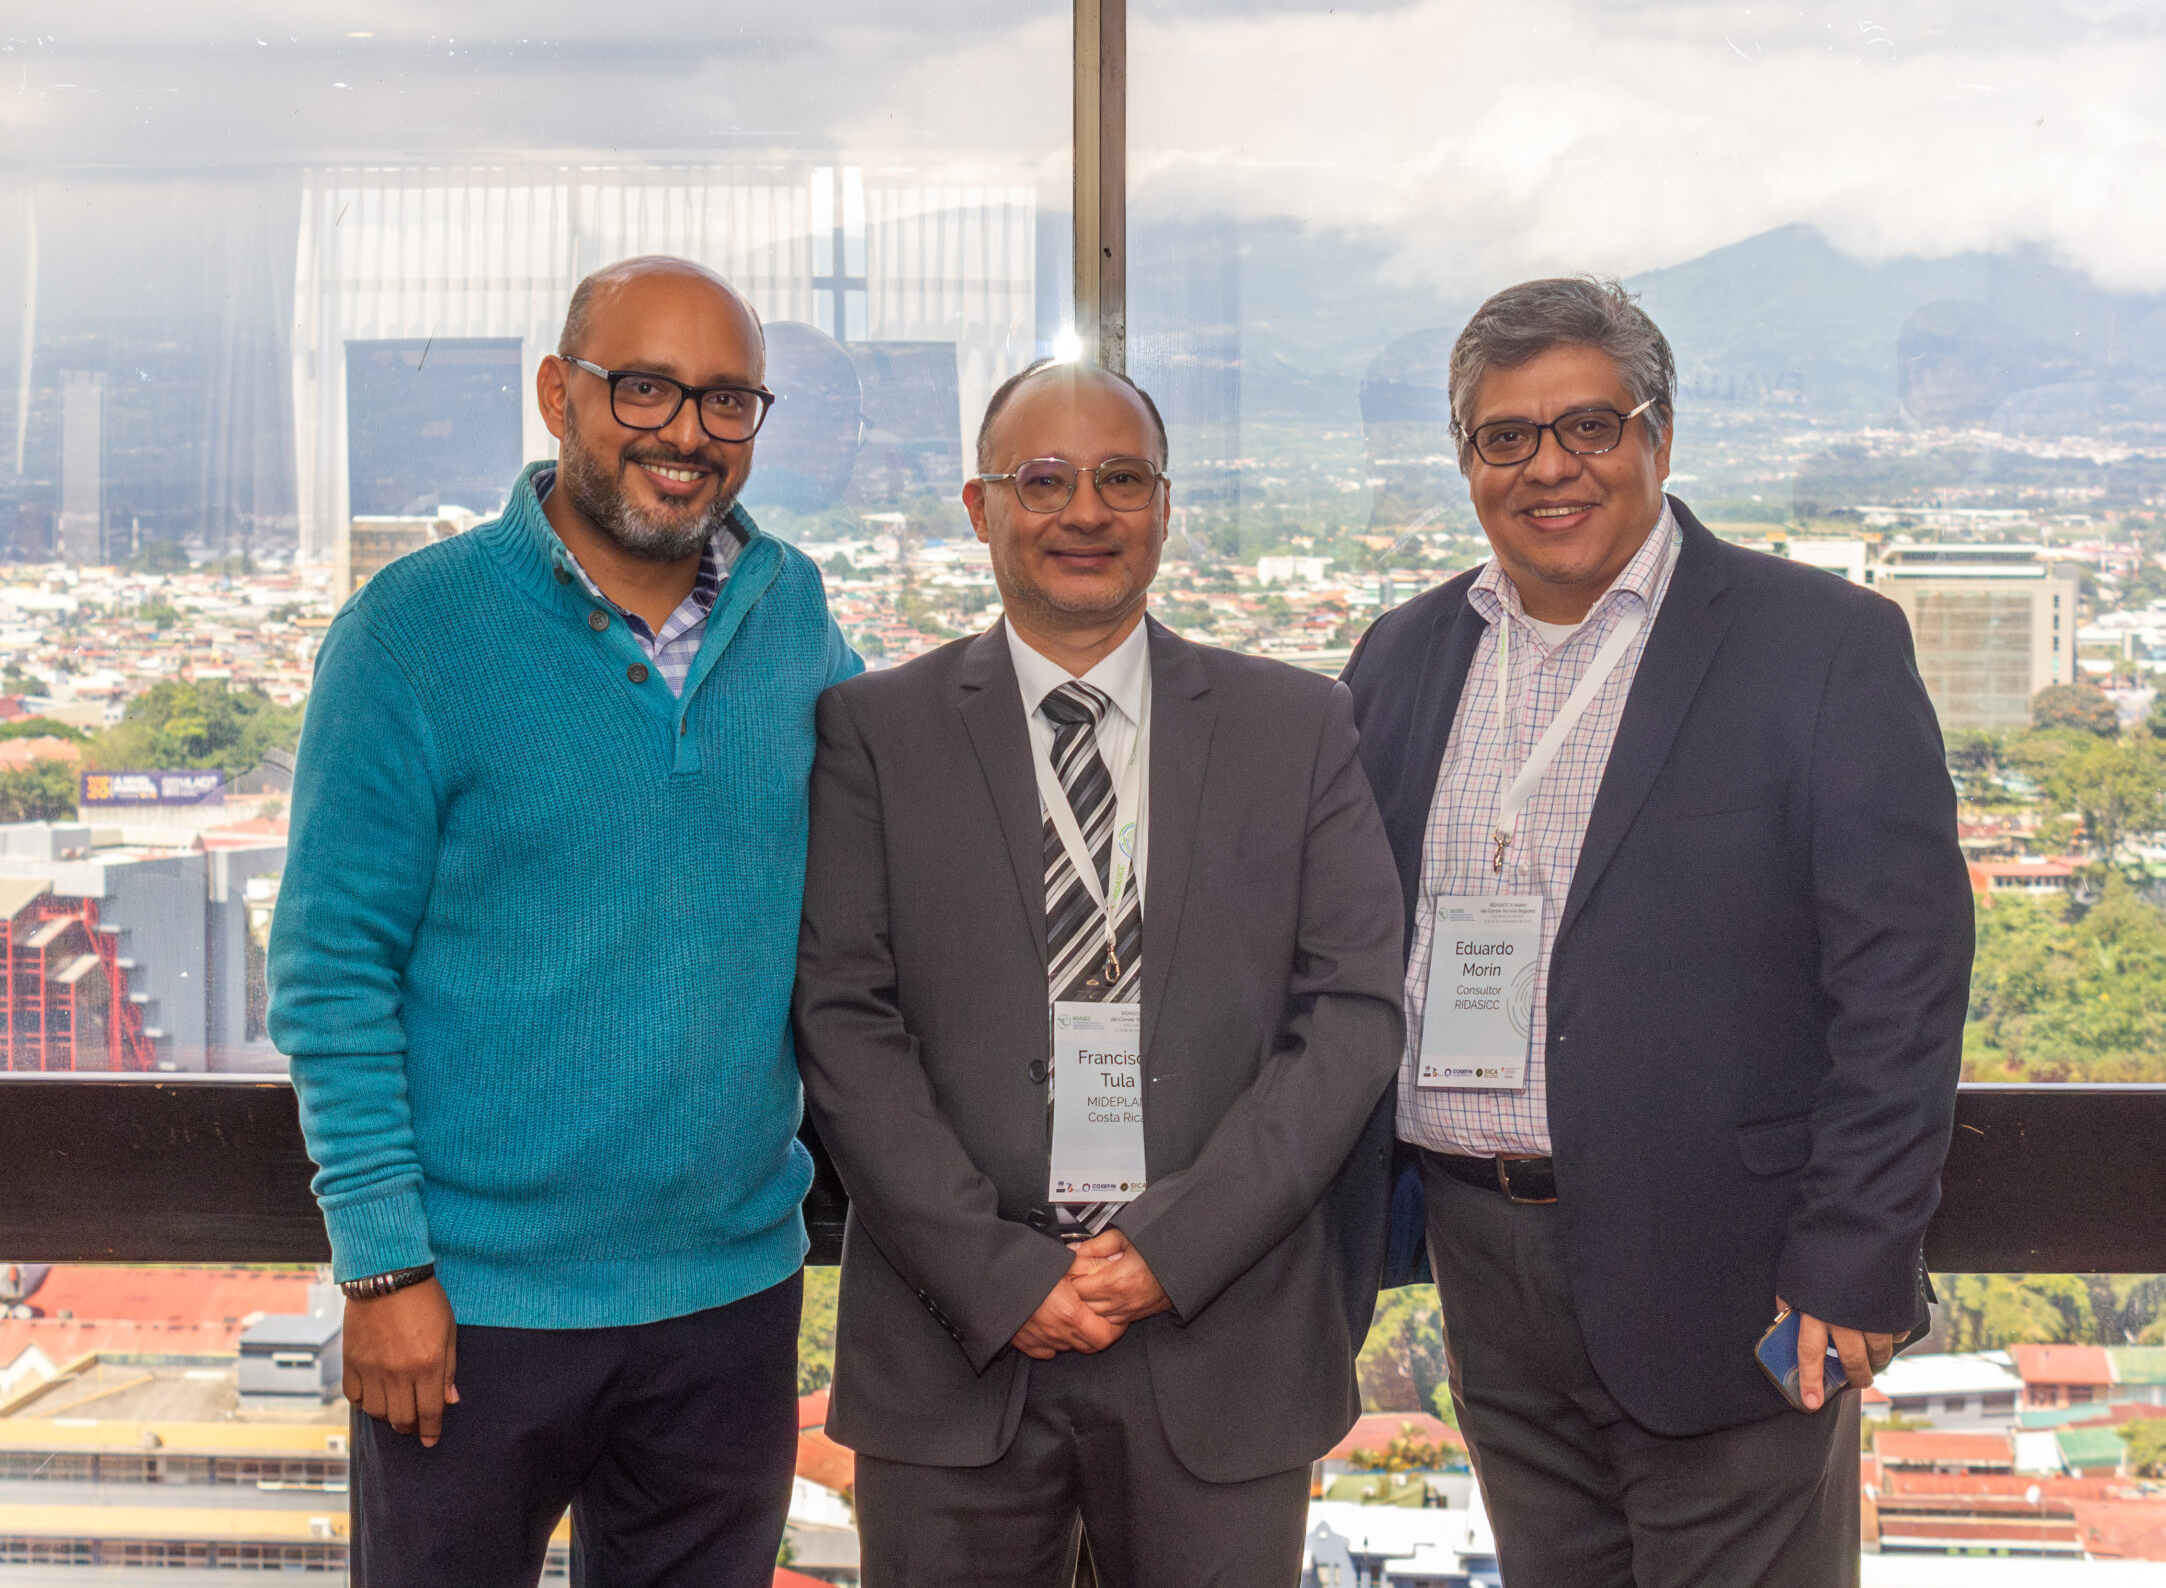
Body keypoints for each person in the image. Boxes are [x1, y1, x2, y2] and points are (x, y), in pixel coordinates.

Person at [1342, 277, 1973, 1586]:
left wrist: (1856, 1255)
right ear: (1466, 459)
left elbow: (1902, 984)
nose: (1549, 466)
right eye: (1506, 436)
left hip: (1732, 1274)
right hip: (1480, 1262)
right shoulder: (1401, 658)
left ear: (1660, 434)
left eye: (1590, 424)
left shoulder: (1823, 646)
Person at [269, 256, 860, 1587]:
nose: (687, 432)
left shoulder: (793, 611)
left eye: (727, 399)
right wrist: (382, 1269)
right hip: (470, 1306)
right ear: (557, 393)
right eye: (645, 387)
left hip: (730, 1302)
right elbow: (330, 973)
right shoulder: (412, 633)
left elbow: (907, 814)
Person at [795, 360, 1406, 1587]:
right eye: (1043, 479)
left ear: (1164, 505)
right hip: (951, 1339)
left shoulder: (1297, 725)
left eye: (1121, 478)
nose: (1085, 510)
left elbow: (1351, 1013)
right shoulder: (875, 731)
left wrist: (1169, 1250)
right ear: (980, 506)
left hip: (1221, 1328)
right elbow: (843, 1021)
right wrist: (997, 1273)